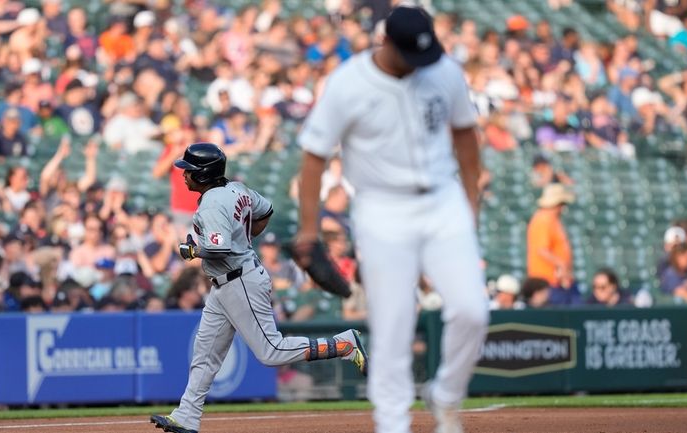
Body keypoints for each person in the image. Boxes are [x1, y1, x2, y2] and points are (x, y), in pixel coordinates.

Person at [296, 7, 488, 433]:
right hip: (382, 209)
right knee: (393, 323)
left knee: (473, 310)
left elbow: (465, 136)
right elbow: (313, 158)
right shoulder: (348, 83)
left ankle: (446, 395)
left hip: (442, 199)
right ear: (387, 43)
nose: (423, 61)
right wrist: (309, 227)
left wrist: (470, 202)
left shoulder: (444, 71)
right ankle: (392, 422)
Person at [150, 143, 367, 433]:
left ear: (202, 174)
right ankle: (187, 415)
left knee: (271, 351)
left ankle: (344, 344)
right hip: (226, 282)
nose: (184, 175)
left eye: (189, 170)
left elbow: (219, 247)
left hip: (239, 281)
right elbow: (266, 209)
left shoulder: (212, 203)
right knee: (205, 353)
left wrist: (193, 251)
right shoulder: (237, 189)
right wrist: (245, 235)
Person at [527, 184, 575, 286]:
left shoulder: (552, 220)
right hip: (546, 281)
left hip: (555, 280)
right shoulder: (543, 220)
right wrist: (561, 265)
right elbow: (542, 250)